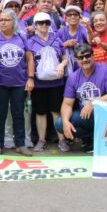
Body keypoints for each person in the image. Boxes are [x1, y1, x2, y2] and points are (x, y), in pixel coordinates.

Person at [58, 43, 107, 152]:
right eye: (80, 57)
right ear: (76, 60)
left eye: (87, 56)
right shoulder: (73, 77)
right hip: (85, 116)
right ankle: (89, 138)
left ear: (93, 56)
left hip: (105, 114)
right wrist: (65, 121)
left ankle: (100, 140)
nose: (84, 59)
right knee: (60, 123)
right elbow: (67, 104)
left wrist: (94, 103)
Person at [0, 7, 32, 155]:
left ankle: (21, 144)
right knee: (0, 114)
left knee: (18, 114)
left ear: (14, 21)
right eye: (0, 20)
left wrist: (30, 78)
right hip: (1, 83)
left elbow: (29, 58)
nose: (3, 23)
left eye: (6, 20)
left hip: (19, 83)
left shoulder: (21, 37)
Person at [27, 11, 70, 152]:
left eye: (47, 22)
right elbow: (29, 62)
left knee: (56, 111)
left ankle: (62, 139)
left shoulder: (56, 39)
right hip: (39, 83)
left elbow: (65, 58)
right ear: (35, 25)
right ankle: (41, 139)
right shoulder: (30, 42)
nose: (44, 25)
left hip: (56, 82)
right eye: (40, 23)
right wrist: (30, 79)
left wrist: (62, 65)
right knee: (40, 112)